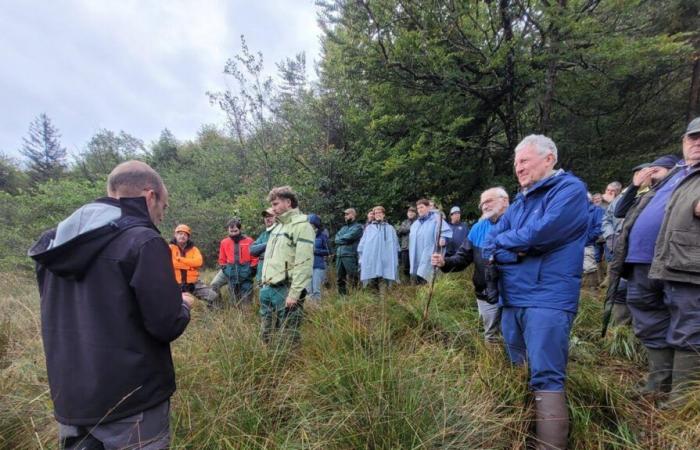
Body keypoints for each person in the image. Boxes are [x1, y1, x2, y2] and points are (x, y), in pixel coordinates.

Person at [28, 160, 192, 449]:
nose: (160, 217)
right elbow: (165, 324)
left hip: (71, 401)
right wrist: (184, 306)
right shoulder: (143, 240)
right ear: (149, 195)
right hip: (133, 402)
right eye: (163, 208)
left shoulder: (53, 242)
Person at [483, 135, 589, 450]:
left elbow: (542, 234)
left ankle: (550, 446)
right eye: (516, 163)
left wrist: (514, 245)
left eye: (524, 161)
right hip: (512, 299)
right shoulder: (520, 201)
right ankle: (523, 435)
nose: (518, 168)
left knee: (545, 375)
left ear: (549, 158)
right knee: (519, 369)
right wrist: (517, 248)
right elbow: (492, 243)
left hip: (548, 297)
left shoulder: (569, 190)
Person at [610, 118, 700, 404]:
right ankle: (658, 384)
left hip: (684, 264)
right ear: (683, 142)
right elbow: (628, 210)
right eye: (691, 138)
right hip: (642, 262)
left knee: (689, 326)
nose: (696, 143)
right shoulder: (675, 173)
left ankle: (682, 400)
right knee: (651, 323)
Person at [432, 187, 509, 343]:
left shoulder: (520, 223)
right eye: (482, 204)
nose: (484, 206)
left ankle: (519, 366)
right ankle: (493, 366)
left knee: (515, 336)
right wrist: (444, 262)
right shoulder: (477, 228)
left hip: (515, 293)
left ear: (505, 201)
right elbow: (462, 258)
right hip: (485, 293)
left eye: (489, 201)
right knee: (491, 336)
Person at [259, 186, 315, 345]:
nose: (273, 208)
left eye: (276, 204)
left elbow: (304, 263)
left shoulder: (302, 226)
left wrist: (294, 293)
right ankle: (267, 363)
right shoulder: (278, 226)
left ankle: (292, 366)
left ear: (288, 202)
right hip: (267, 288)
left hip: (286, 289)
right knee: (266, 334)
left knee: (289, 335)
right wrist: (263, 286)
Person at [212, 218, 258, 307]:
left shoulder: (249, 241)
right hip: (229, 269)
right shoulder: (224, 242)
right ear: (228, 230)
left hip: (245, 269)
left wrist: (252, 268)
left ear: (240, 229)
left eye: (235, 231)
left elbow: (255, 257)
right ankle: (218, 306)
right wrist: (225, 269)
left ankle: (245, 312)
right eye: (231, 231)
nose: (233, 233)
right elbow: (222, 259)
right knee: (214, 284)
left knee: (246, 300)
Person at [169, 224, 217, 308]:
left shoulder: (194, 249)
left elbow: (198, 262)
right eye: (180, 233)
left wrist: (180, 259)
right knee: (174, 305)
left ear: (188, 237)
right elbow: (171, 263)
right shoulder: (169, 248)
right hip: (175, 284)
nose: (183, 236)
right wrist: (190, 267)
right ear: (175, 235)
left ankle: (213, 315)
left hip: (193, 283)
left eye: (185, 234)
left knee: (213, 296)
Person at [357, 205, 400, 294]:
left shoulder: (390, 228)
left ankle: (383, 305)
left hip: (385, 263)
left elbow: (395, 246)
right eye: (375, 213)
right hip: (371, 262)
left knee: (383, 286)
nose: (377, 214)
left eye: (379, 212)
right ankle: (372, 306)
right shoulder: (369, 229)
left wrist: (394, 260)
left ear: (383, 214)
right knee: (371, 287)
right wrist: (361, 259)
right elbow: (362, 245)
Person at [408, 198, 452, 284]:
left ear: (428, 207)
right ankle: (421, 295)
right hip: (417, 255)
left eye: (422, 207)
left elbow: (446, 231)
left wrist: (443, 238)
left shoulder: (436, 219)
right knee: (418, 278)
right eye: (418, 208)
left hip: (429, 254)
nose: (419, 210)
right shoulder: (415, 224)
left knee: (427, 278)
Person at [334, 208, 363, 295]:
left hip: (350, 255)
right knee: (340, 279)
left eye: (347, 214)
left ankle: (356, 297)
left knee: (353, 277)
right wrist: (341, 239)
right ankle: (342, 298)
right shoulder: (343, 228)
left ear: (353, 215)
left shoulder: (358, 227)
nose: (345, 216)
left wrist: (341, 239)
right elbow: (336, 239)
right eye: (345, 215)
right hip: (339, 256)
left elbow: (349, 237)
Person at [307, 213, 330, 302]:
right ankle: (310, 310)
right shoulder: (305, 236)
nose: (309, 226)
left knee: (316, 290)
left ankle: (317, 309)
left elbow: (328, 251)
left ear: (315, 224)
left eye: (311, 224)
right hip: (307, 266)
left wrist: (316, 251)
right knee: (308, 290)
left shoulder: (322, 236)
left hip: (318, 265)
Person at [251, 208, 276, 283]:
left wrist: (261, 251)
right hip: (261, 275)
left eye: (270, 216)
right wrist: (267, 244)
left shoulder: (280, 232)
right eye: (265, 217)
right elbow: (252, 250)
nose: (267, 218)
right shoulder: (263, 235)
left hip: (275, 276)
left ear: (277, 217)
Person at [396, 206, 417, 279]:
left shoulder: (418, 221)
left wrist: (404, 229)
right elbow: (399, 232)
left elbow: (403, 230)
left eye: (412, 212)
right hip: (405, 247)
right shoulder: (404, 222)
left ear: (415, 213)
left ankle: (416, 283)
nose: (410, 213)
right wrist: (410, 229)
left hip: (415, 247)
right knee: (405, 267)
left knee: (415, 265)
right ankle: (407, 284)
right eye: (409, 212)